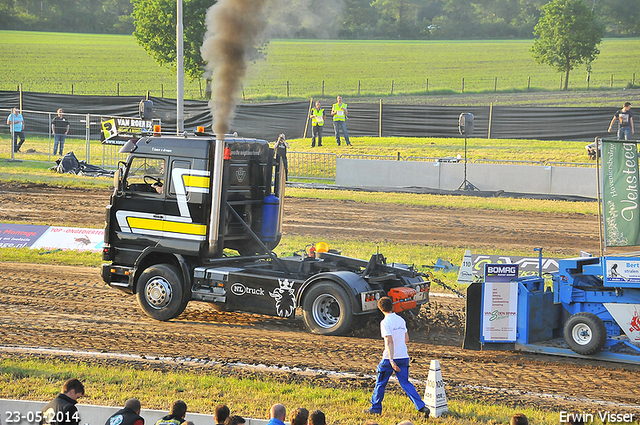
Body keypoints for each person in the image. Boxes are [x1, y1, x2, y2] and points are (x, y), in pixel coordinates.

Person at [366, 297, 429, 417]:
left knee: (380, 383)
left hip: (390, 358)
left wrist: (391, 360)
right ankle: (421, 407)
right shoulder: (401, 320)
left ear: (380, 309)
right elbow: (406, 339)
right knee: (405, 383)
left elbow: (389, 341)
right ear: (392, 306)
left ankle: (375, 408)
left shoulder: (385, 322)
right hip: (404, 356)